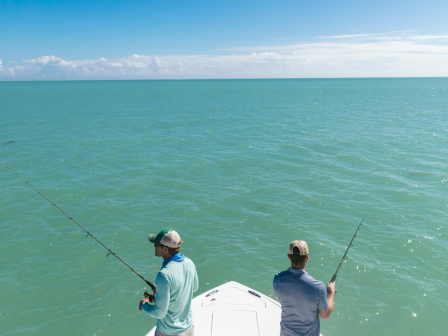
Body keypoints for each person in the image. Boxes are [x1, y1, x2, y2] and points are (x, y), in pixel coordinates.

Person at [139, 229, 198, 336]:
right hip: (188, 328)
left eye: (156, 244)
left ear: (165, 249)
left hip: (168, 332)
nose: (154, 246)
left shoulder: (164, 275)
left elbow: (159, 313)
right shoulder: (190, 263)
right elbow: (193, 288)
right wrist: (164, 291)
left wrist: (144, 305)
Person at [273, 240, 335, 336]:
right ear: (306, 258)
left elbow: (281, 301)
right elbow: (325, 315)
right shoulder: (318, 287)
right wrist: (331, 294)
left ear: (289, 257)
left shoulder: (278, 279)